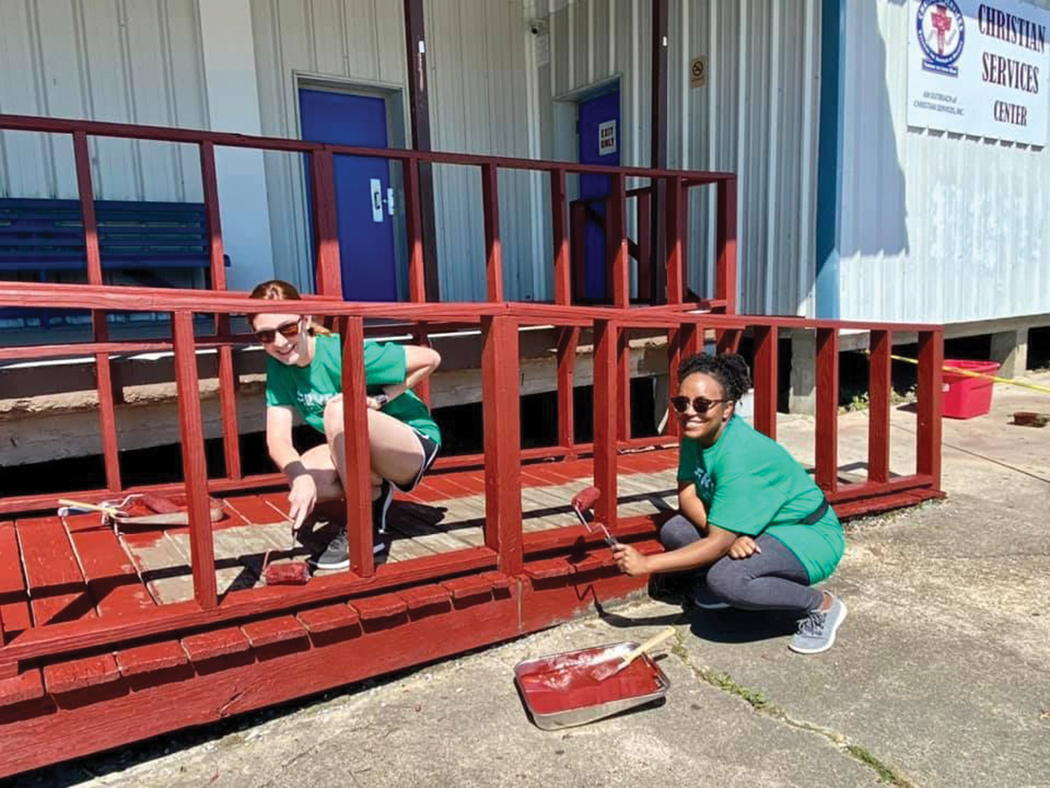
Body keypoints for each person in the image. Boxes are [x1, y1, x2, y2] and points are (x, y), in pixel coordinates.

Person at [612, 352, 847, 654]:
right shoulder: (695, 435)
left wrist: (647, 564)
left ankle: (821, 606)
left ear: (727, 409)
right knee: (677, 530)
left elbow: (716, 542)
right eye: (682, 403)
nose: (690, 412)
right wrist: (726, 538)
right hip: (762, 526)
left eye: (702, 404)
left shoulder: (738, 455)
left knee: (727, 580)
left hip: (807, 533)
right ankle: (733, 582)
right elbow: (687, 494)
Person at [248, 280, 441, 570]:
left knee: (339, 409)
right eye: (265, 335)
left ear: (306, 320)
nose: (279, 342)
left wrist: (380, 398)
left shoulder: (341, 351)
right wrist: (299, 477)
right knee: (305, 474)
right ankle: (374, 492)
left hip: (413, 444)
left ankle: (364, 528)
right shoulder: (279, 366)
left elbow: (430, 358)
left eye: (287, 328)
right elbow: (277, 439)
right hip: (359, 448)